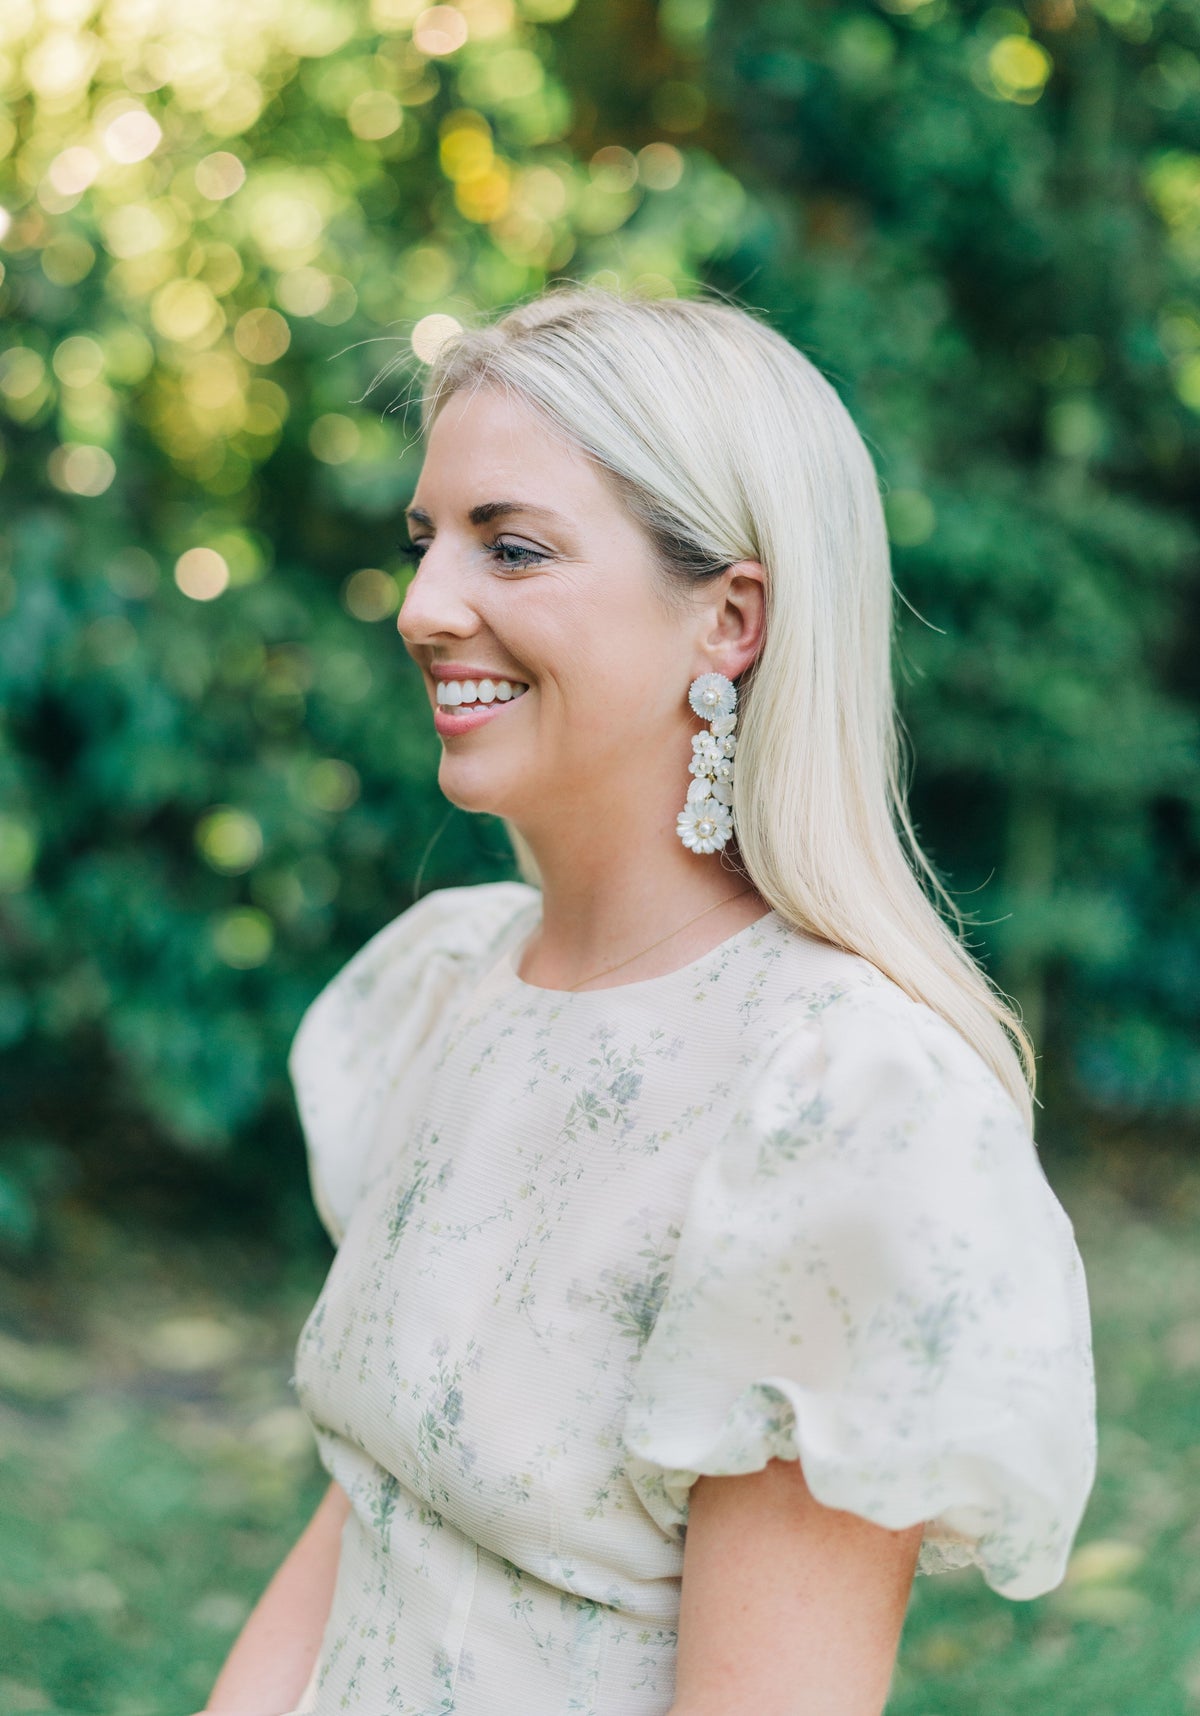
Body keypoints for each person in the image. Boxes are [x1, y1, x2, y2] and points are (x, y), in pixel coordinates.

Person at [201, 284, 1096, 1716]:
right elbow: (367, 1508)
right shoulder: (443, 988)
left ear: (729, 616)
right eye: (425, 543)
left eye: (514, 547)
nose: (427, 608)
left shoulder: (838, 1112)